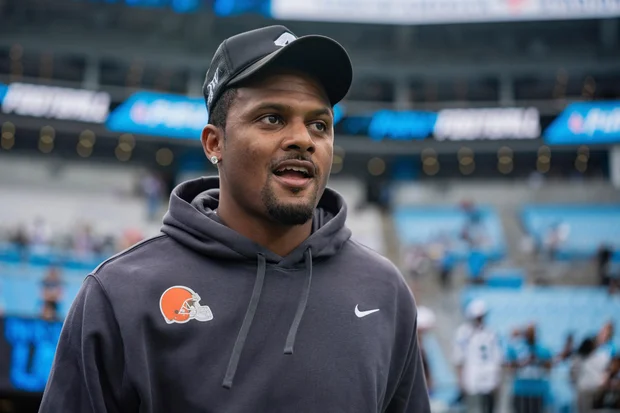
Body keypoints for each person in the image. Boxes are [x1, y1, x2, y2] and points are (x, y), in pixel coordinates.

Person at [40, 26, 430, 413]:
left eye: (319, 125)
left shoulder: (384, 291)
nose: (303, 139)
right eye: (272, 118)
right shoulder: (121, 293)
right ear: (215, 143)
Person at [453, 300, 503, 413]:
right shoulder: (463, 333)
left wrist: (497, 377)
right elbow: (458, 358)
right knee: (472, 407)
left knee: (488, 406)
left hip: (488, 376)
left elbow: (497, 358)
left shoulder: (491, 333)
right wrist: (460, 379)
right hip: (471, 377)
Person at [506, 324, 553, 413]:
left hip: (538, 391)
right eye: (528, 332)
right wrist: (524, 362)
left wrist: (539, 361)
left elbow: (549, 368)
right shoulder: (516, 348)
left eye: (532, 332)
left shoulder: (543, 349)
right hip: (521, 390)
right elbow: (510, 367)